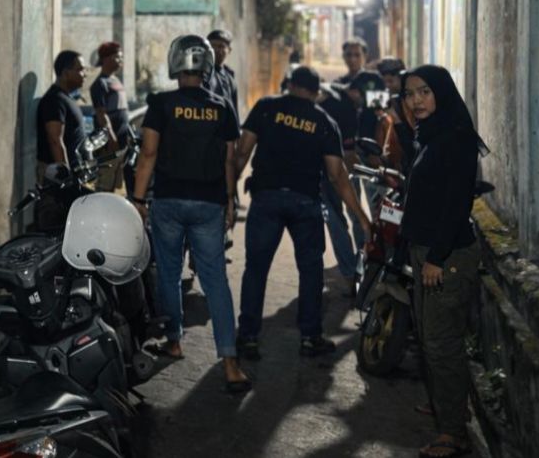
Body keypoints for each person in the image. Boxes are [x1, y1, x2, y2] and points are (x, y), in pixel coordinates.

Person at [130, 35, 250, 393]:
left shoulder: (161, 104)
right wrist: (230, 200)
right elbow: (229, 159)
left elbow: (148, 154)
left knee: (168, 274)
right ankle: (230, 363)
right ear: (207, 66)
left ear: (175, 63)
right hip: (209, 204)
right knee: (216, 282)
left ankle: (174, 341)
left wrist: (138, 199)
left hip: (168, 202)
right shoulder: (222, 106)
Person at [234, 67, 372, 360]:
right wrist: (361, 216)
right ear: (316, 92)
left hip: (266, 197)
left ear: (290, 85)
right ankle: (310, 337)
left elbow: (242, 151)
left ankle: (247, 337)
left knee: (256, 269)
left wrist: (227, 195)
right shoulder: (324, 121)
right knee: (311, 272)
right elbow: (337, 175)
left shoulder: (266, 107)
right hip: (305, 203)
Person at [401, 65, 488, 458]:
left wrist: (435, 258)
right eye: (409, 94)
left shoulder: (456, 138)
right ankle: (448, 404)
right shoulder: (430, 134)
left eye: (424, 92)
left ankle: (453, 433)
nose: (416, 101)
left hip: (446, 255)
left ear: (442, 93)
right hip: (426, 251)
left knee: (441, 343)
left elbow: (456, 204)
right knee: (429, 337)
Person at [316, 82, 365, 296]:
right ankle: (356, 266)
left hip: (328, 171)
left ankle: (352, 271)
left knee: (339, 222)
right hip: (335, 170)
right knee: (344, 219)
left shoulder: (329, 109)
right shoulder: (341, 107)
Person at [37, 50, 87, 181]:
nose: (85, 74)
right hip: (59, 180)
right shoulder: (54, 100)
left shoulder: (66, 98)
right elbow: (55, 140)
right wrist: (66, 177)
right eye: (80, 69)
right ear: (65, 73)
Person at [89, 42, 133, 193]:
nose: (121, 60)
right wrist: (111, 138)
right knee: (105, 184)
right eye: (117, 57)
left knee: (117, 184)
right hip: (108, 145)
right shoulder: (99, 84)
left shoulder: (116, 80)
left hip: (121, 141)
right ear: (106, 58)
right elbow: (101, 114)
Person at [374, 57, 416, 172]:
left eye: (391, 81)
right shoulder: (385, 99)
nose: (387, 86)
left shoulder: (411, 101)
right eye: (384, 82)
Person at [204, 29, 240, 123]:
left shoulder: (230, 78)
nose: (216, 50)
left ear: (229, 50)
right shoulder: (201, 73)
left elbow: (234, 111)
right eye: (212, 46)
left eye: (221, 46)